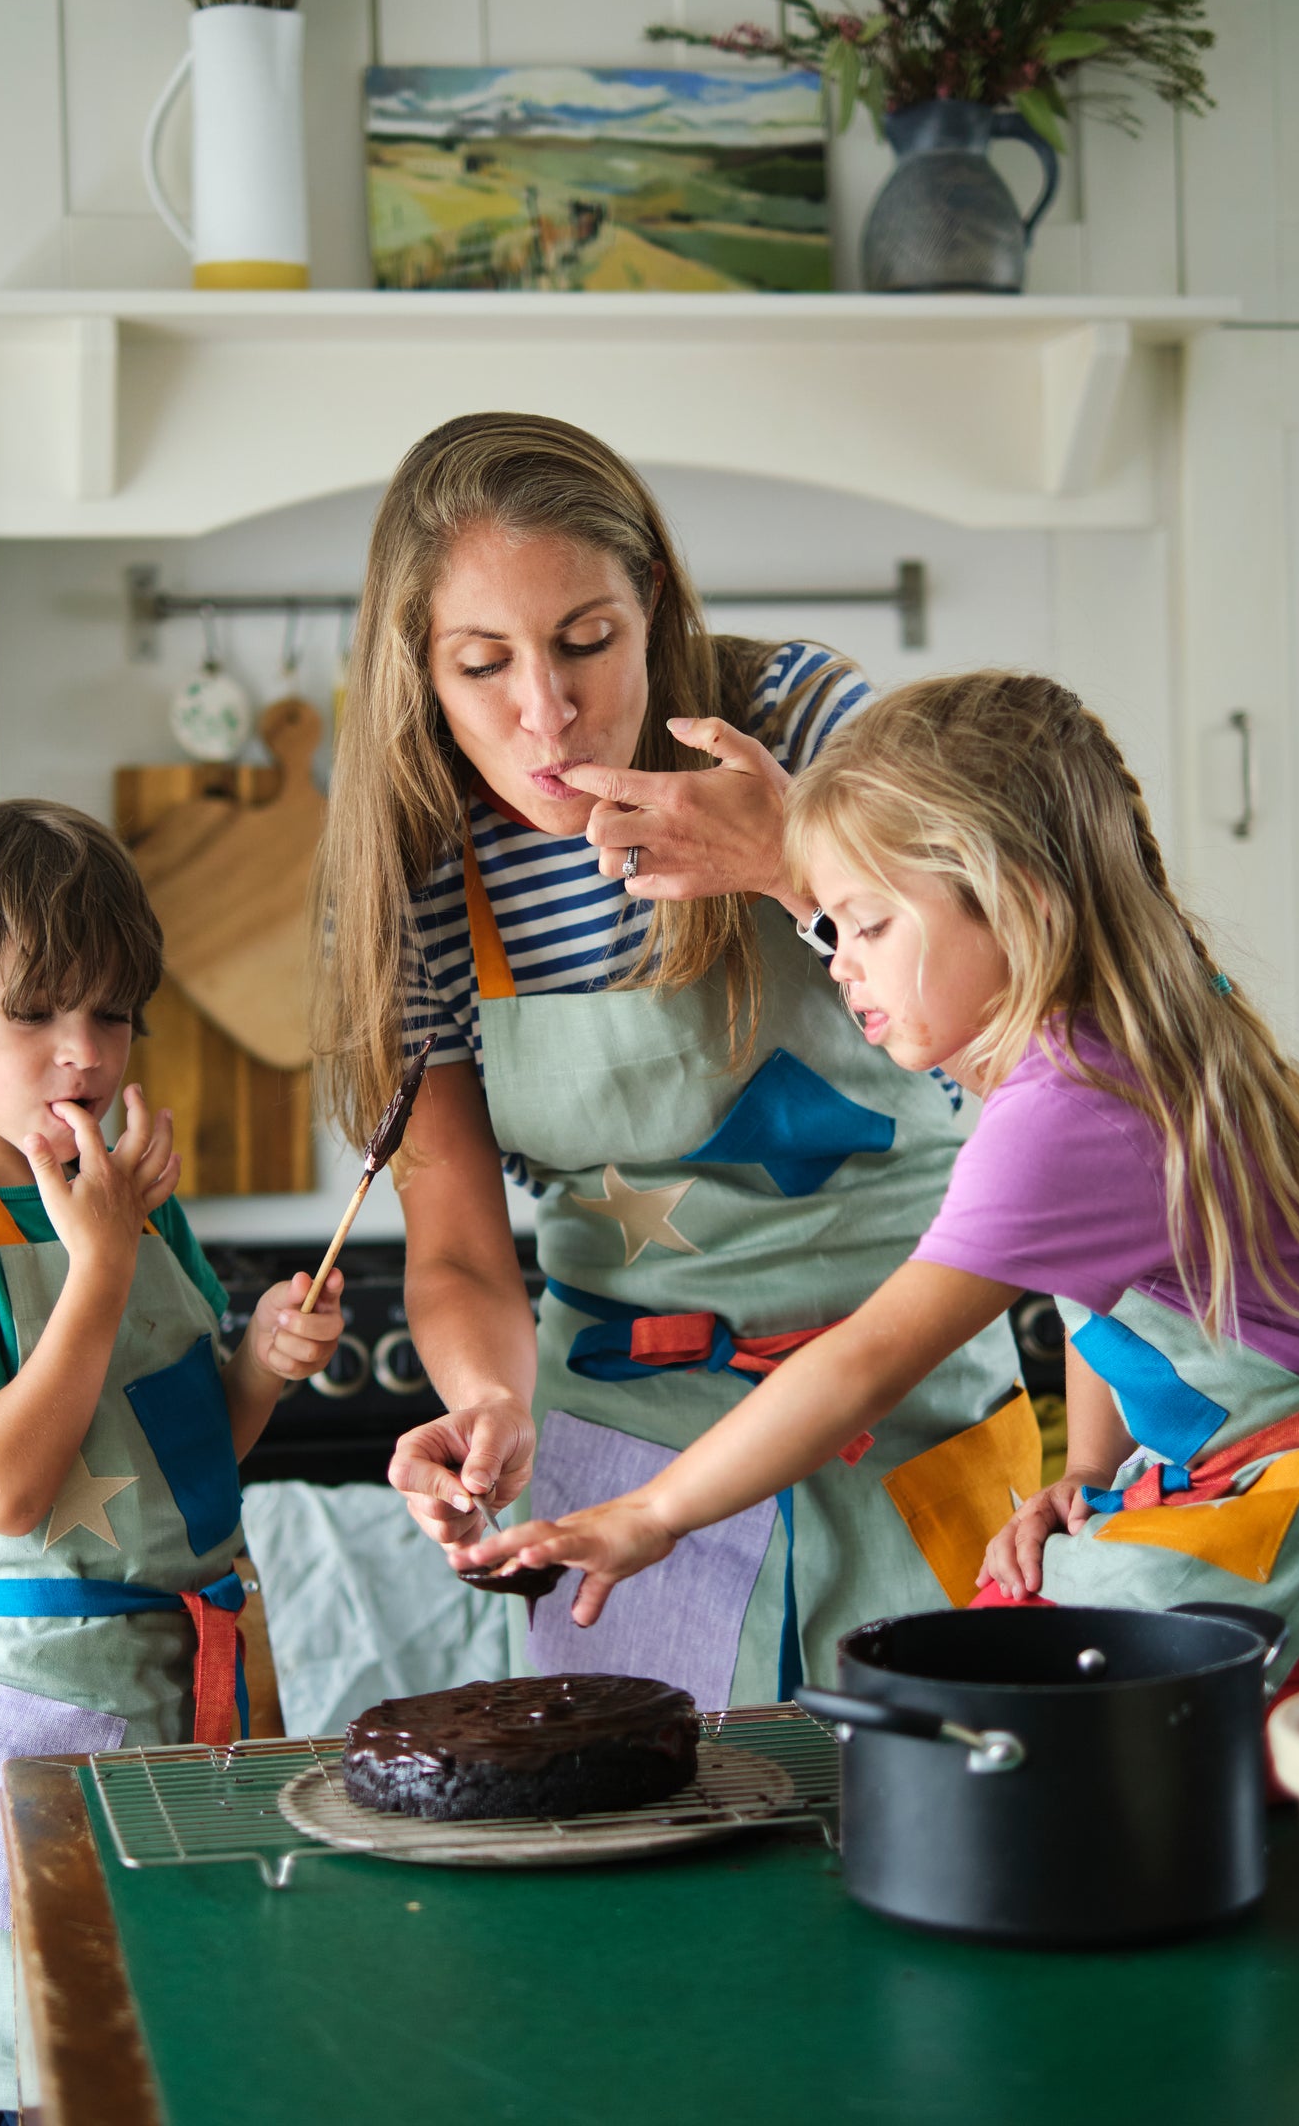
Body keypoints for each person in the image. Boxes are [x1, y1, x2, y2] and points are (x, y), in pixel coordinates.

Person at [311, 410, 1026, 1712]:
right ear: (416, 668)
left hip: (922, 1410)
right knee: (640, 1861)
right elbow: (464, 1251)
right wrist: (487, 1405)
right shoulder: (417, 866)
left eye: (586, 640)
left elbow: (1022, 1026)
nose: (548, 711)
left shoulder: (798, 718)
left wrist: (787, 854)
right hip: (624, 1461)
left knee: (958, 1845)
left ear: (648, 599)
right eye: (483, 665)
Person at [455, 669, 1299, 1691]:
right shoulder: (1110, 1043)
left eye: (864, 923)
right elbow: (1101, 1285)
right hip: (1231, 1467)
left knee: (1038, 1709)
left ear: (1013, 906)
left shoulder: (1063, 1106)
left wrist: (649, 1513)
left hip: (1276, 1489)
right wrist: (1086, 1477)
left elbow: (862, 1362)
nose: (837, 961)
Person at [0, 801, 344, 2122]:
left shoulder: (132, 1196)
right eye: (34, 1015)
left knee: (186, 2049)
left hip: (199, 1684)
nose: (83, 1055)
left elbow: (188, 1456)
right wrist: (103, 1260)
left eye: (113, 1013)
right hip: (40, 1714)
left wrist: (263, 1366)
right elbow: (8, 1491)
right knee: (45, 2068)